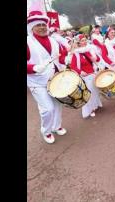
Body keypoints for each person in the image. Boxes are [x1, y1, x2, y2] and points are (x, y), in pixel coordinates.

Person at [27, 11, 68, 144]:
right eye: (38, 25)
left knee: (57, 105)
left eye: (44, 24)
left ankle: (56, 126)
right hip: (36, 82)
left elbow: (60, 57)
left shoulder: (53, 41)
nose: (42, 27)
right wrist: (33, 68)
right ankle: (46, 131)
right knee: (47, 109)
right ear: (31, 27)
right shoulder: (28, 42)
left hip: (54, 79)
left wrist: (65, 60)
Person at [69, 34, 103, 119]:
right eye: (82, 41)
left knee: (95, 92)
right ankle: (90, 110)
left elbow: (97, 59)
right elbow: (73, 67)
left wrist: (96, 58)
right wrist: (81, 71)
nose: (85, 42)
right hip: (85, 76)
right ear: (79, 43)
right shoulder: (76, 54)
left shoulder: (88, 50)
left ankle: (95, 106)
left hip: (93, 74)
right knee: (89, 94)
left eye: (85, 40)